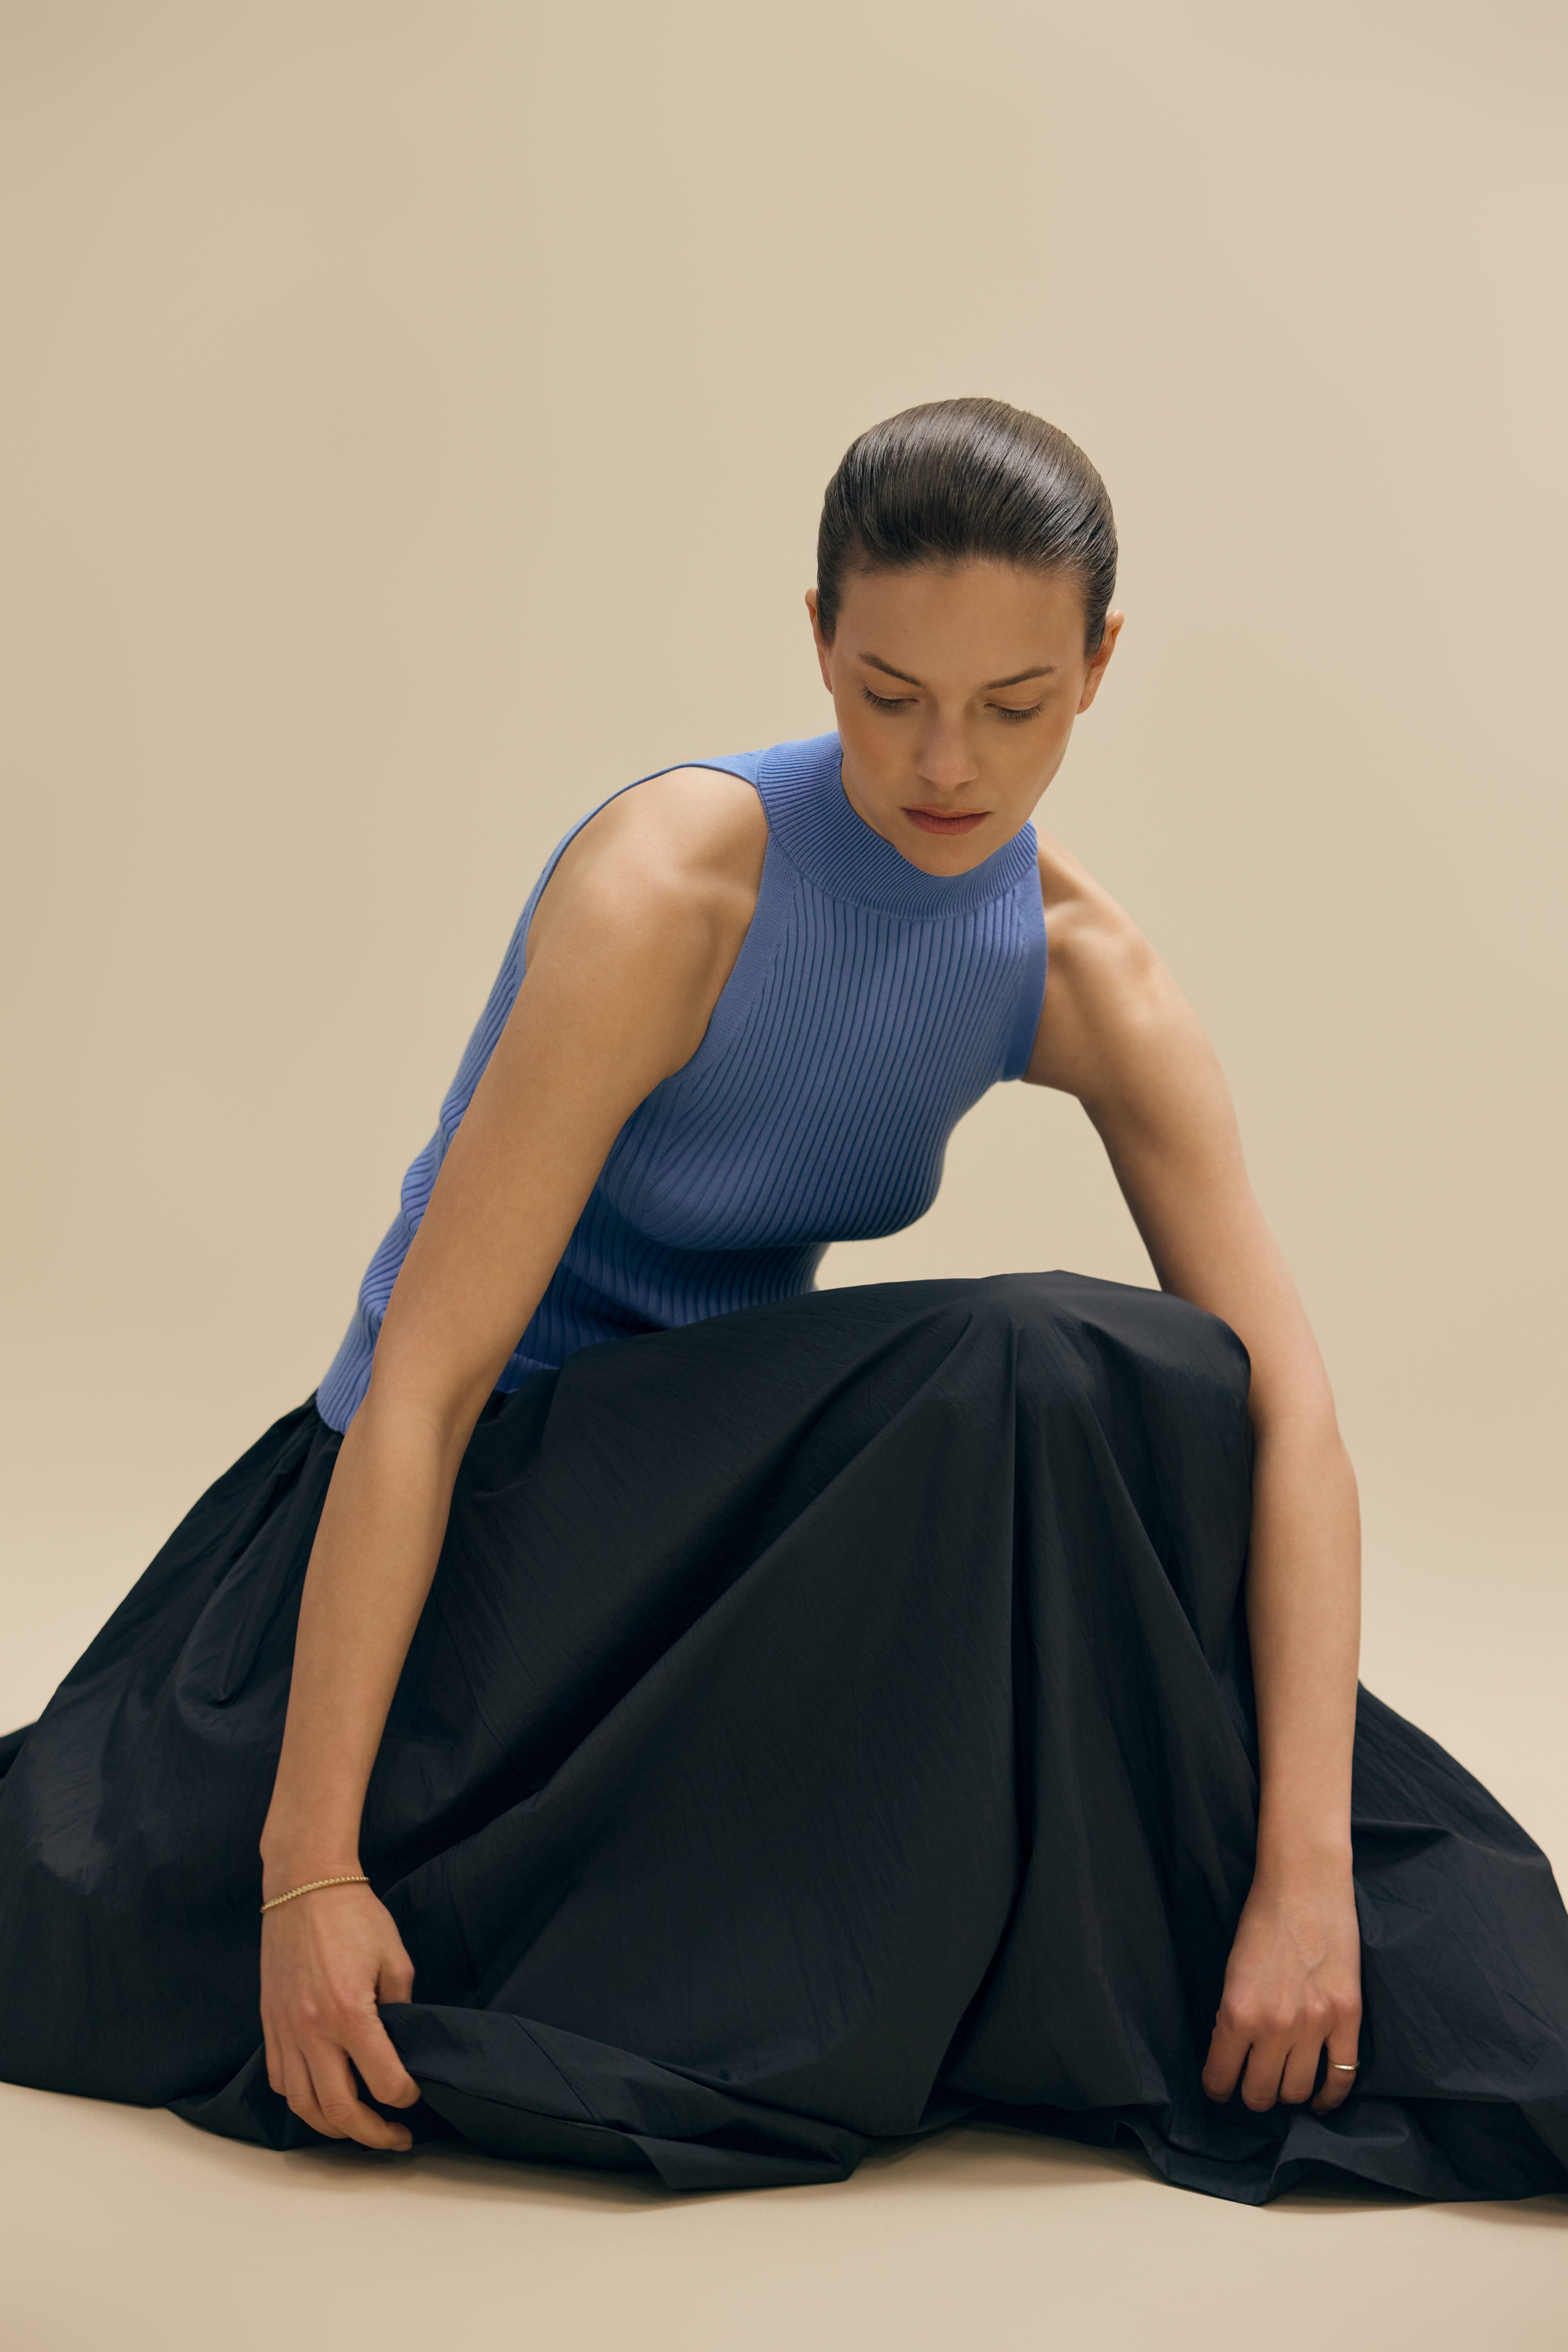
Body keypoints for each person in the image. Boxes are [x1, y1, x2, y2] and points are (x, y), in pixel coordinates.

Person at [1, 399, 1564, 2205]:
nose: (947, 764)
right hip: (464, 1551)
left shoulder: (1080, 966)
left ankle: (1277, 1961)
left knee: (1139, 1409)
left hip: (714, 1563)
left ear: (1099, 667)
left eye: (1016, 706)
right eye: (890, 695)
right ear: (819, 636)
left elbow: (1289, 1417)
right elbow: (420, 1388)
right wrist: (308, 1864)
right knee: (1023, 1364)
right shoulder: (676, 889)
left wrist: (1306, 1870)